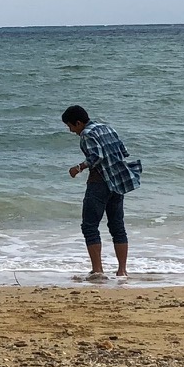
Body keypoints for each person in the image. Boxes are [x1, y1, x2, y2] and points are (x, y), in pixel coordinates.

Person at [62, 104, 140, 280]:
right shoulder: (107, 128)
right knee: (117, 226)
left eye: (70, 126)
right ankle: (122, 271)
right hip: (118, 181)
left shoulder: (86, 134)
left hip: (99, 183)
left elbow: (97, 157)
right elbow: (123, 151)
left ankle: (97, 270)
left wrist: (79, 167)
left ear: (78, 123)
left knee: (89, 226)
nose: (71, 131)